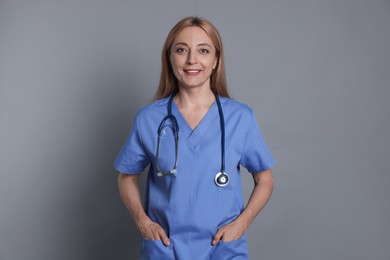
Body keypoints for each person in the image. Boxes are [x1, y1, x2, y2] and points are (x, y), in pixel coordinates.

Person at [114, 16, 275, 260]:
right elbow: (126, 176)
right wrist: (142, 221)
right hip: (165, 248)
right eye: (181, 50)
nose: (192, 60)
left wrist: (242, 224)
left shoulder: (240, 117)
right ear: (170, 58)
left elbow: (265, 179)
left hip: (223, 248)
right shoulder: (148, 119)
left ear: (215, 60)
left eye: (203, 50)